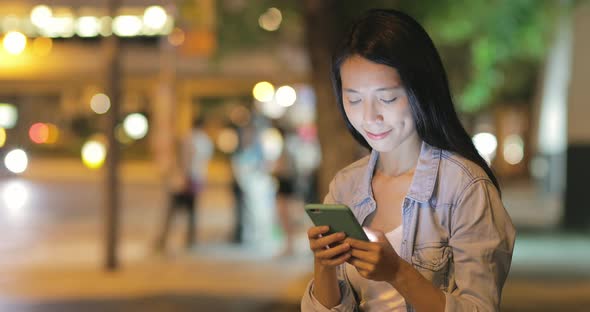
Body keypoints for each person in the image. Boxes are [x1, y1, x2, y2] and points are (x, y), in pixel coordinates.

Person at [301, 9, 516, 312]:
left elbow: (480, 308)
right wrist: (323, 264)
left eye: (387, 98)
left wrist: (398, 273)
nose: (370, 116)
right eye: (354, 99)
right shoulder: (345, 186)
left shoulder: (464, 188)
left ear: (420, 91)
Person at [155, 117, 213, 251]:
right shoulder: (206, 141)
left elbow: (186, 158)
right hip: (197, 178)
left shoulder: (189, 138)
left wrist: (182, 176)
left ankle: (164, 240)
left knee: (172, 211)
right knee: (191, 211)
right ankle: (191, 239)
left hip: (185, 179)